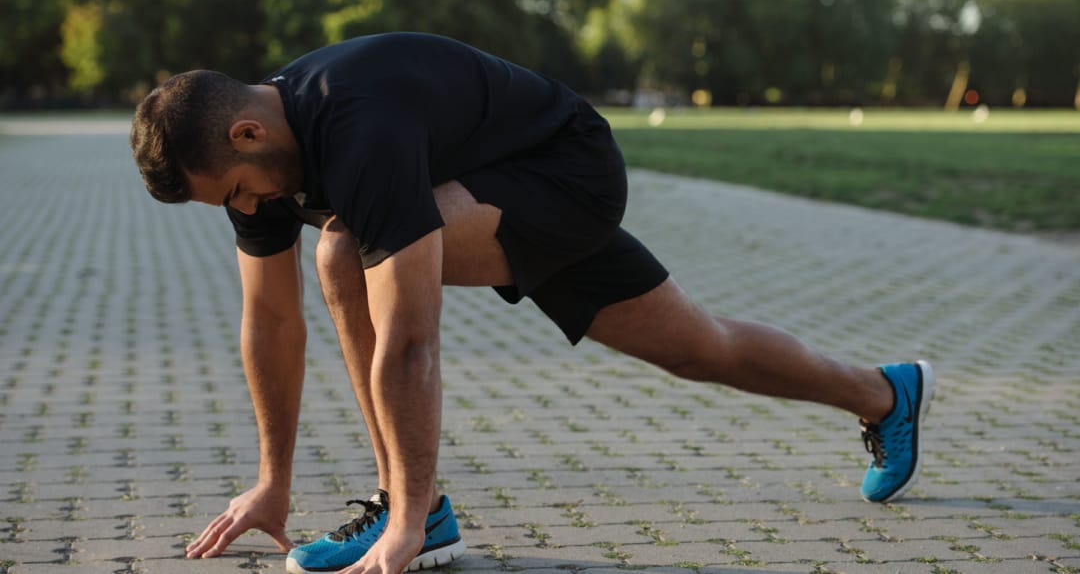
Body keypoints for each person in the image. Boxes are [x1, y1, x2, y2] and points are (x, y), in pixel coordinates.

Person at [130, 32, 934, 574]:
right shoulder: (254, 163)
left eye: (239, 191)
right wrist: (273, 479)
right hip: (480, 195)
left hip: (566, 177)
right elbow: (269, 322)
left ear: (244, 133)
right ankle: (884, 391)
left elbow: (411, 340)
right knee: (702, 345)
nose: (247, 208)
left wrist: (406, 524)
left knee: (342, 252)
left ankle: (412, 507)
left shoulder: (357, 124)